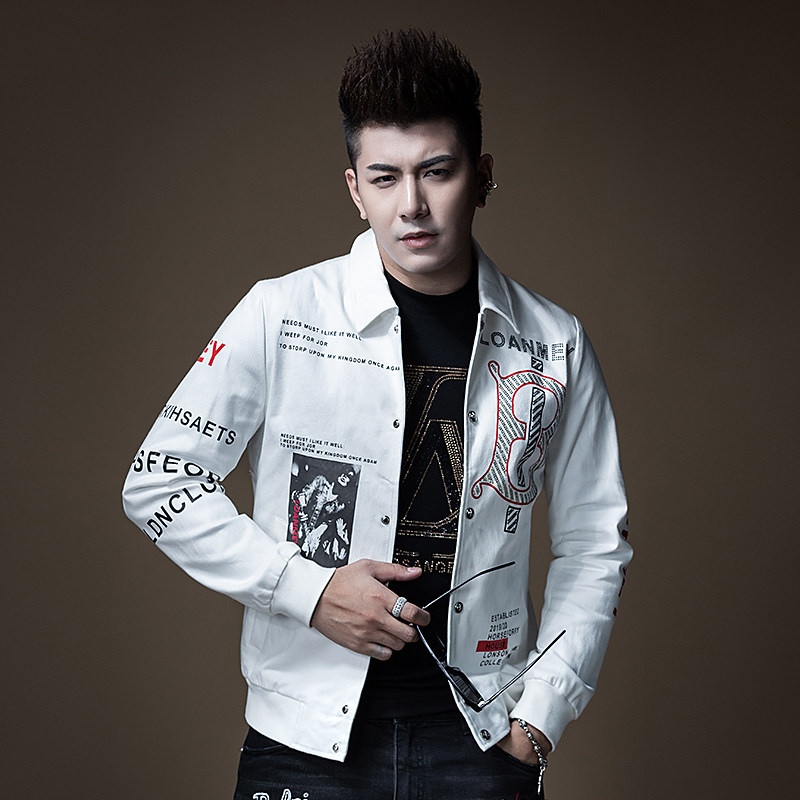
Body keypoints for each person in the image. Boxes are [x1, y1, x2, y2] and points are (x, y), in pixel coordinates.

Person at [122, 29, 632, 800]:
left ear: (482, 176)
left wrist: (541, 717)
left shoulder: (553, 343)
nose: (412, 206)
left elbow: (595, 544)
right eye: (385, 178)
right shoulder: (280, 313)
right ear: (355, 190)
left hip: (482, 741)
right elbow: (159, 481)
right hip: (303, 738)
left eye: (437, 172)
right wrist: (307, 591)